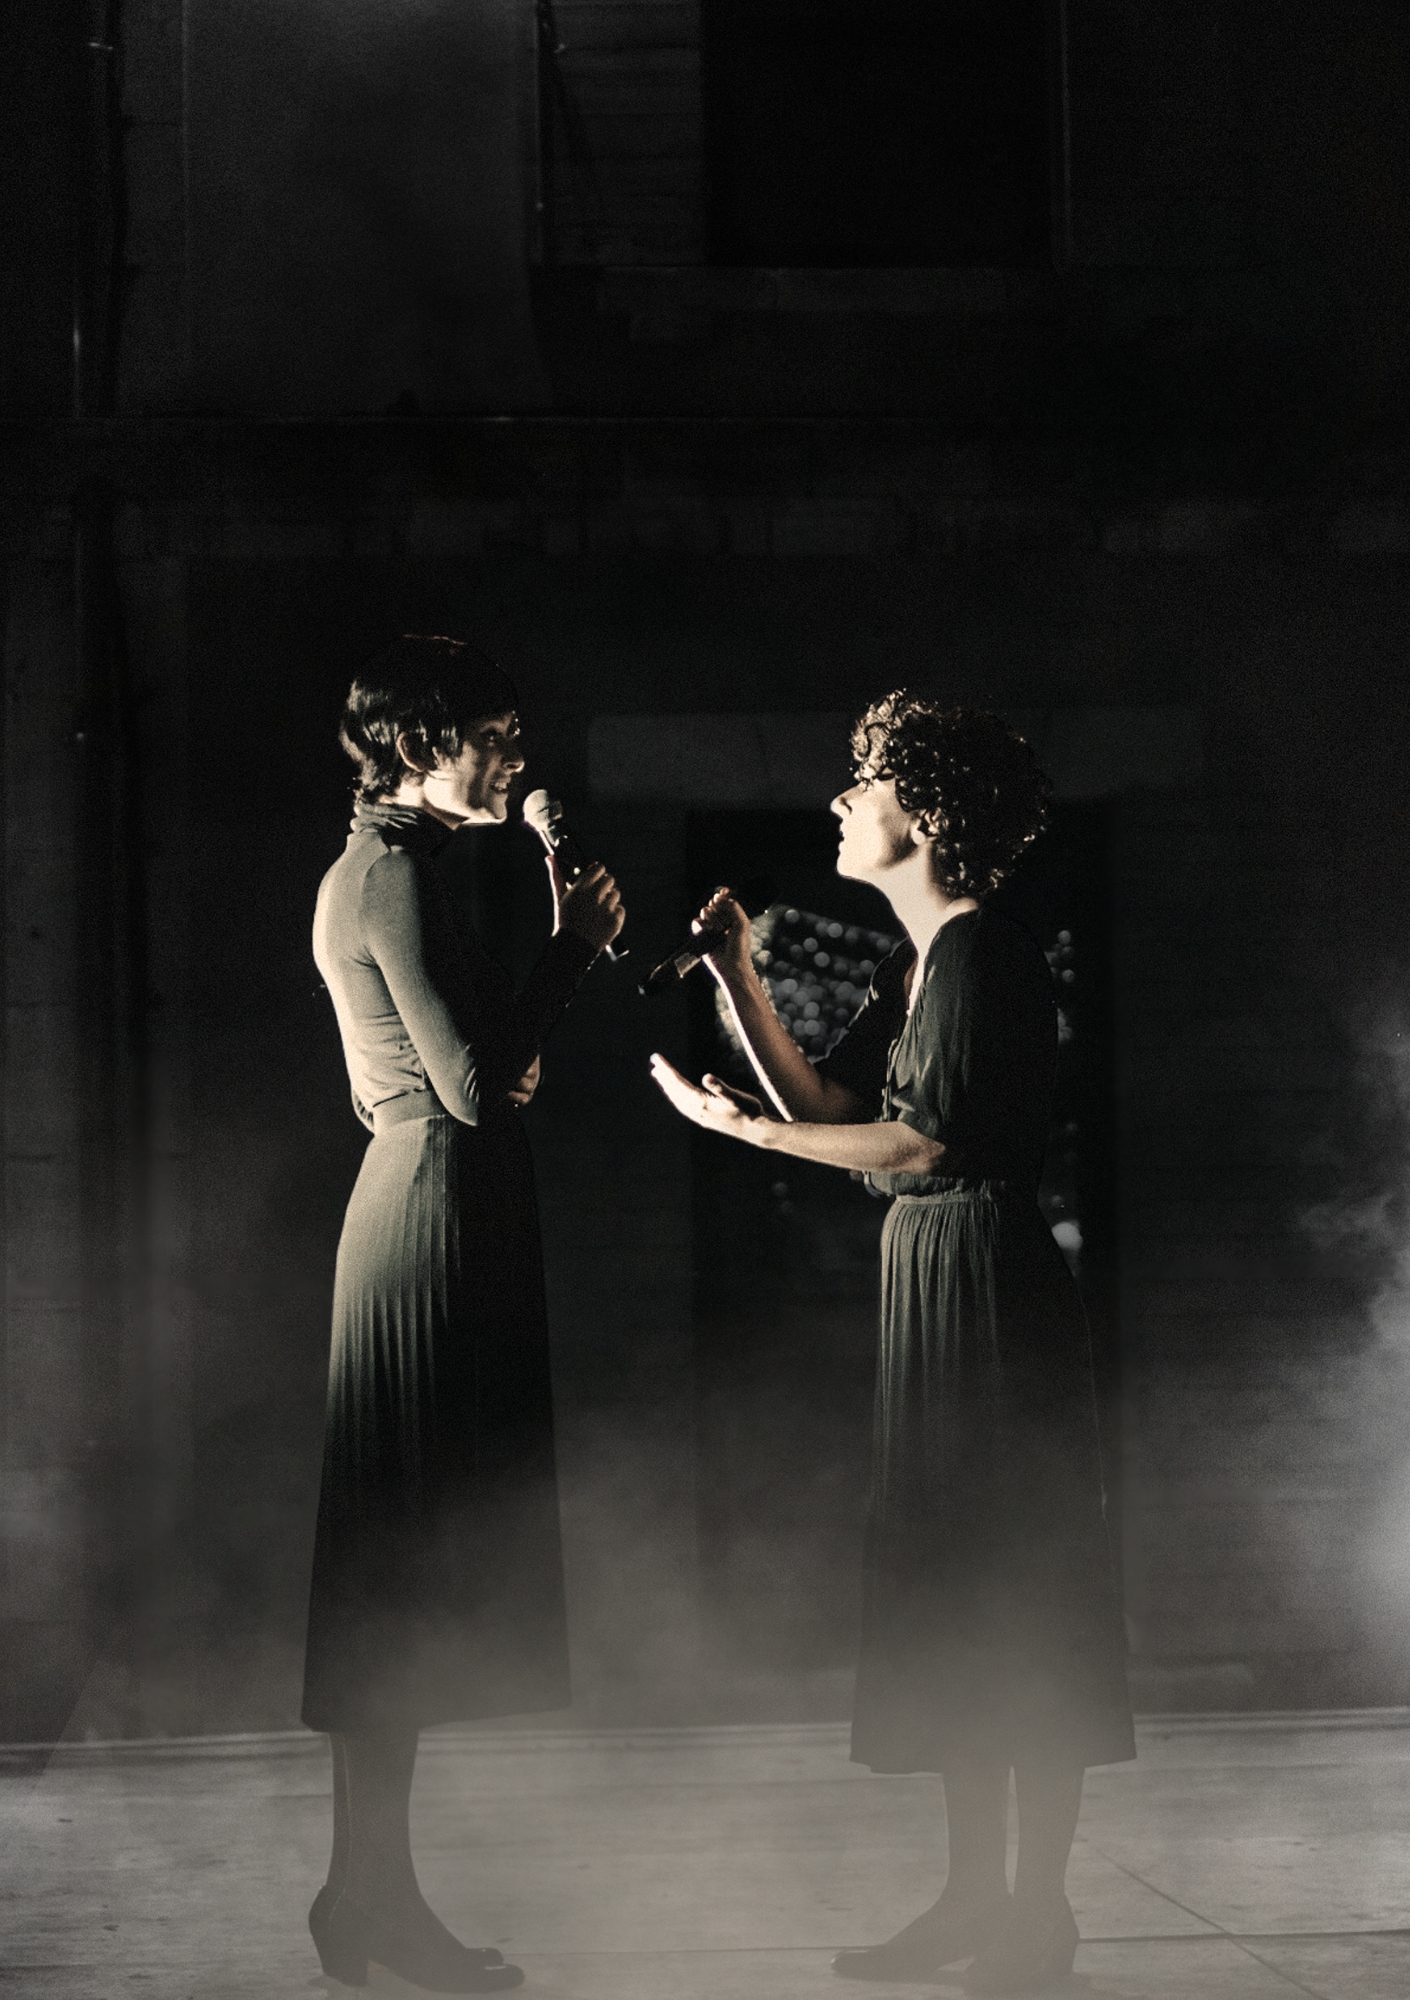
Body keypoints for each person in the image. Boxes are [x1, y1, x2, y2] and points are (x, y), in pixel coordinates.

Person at [651, 694, 1133, 1997]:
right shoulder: (919, 965)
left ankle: (1037, 1913)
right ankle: (976, 1900)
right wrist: (736, 975)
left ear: (921, 812)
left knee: (1019, 1593)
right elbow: (829, 1102)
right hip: (935, 1278)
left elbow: (921, 1146)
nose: (837, 802)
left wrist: (746, 1135)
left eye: (859, 784)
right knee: (953, 1591)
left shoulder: (979, 954)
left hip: (987, 1284)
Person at [301, 635, 624, 1994]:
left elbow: (469, 1074)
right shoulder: (392, 878)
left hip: (435, 1199)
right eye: (491, 737)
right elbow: (482, 1088)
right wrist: (573, 950)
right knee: (402, 1572)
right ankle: (368, 1899)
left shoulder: (397, 869)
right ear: (415, 746)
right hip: (431, 1213)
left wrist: (521, 1015)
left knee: (404, 1571)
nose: (514, 760)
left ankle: (364, 1896)